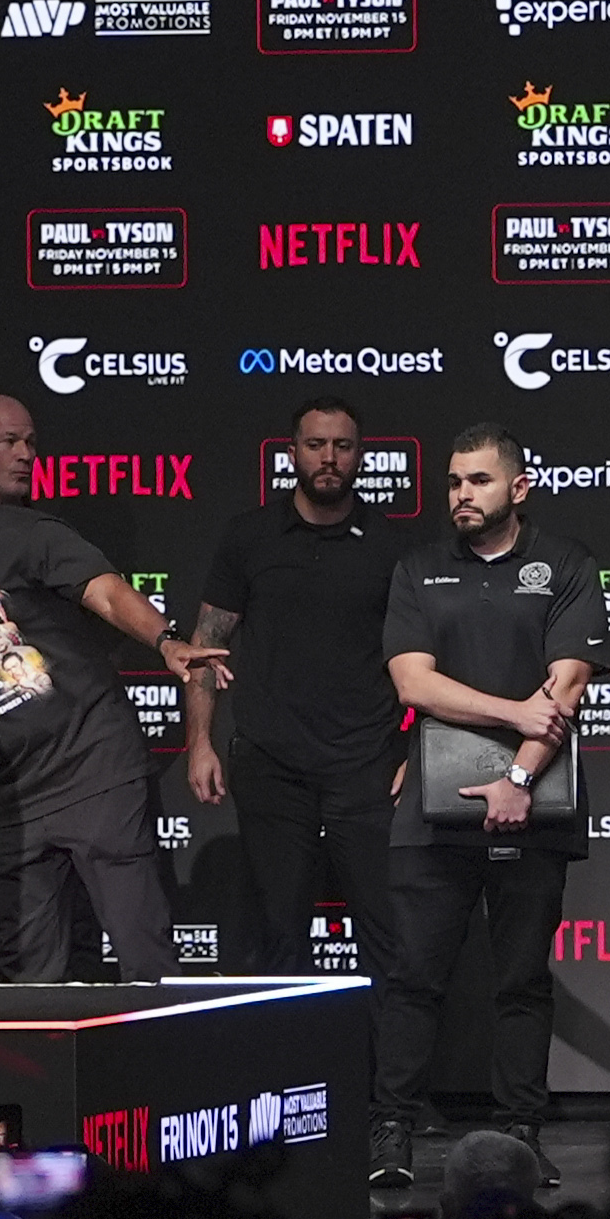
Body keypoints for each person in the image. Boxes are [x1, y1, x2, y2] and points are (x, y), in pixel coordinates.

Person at [0, 394, 214, 982]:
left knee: (143, 953)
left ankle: (174, 1070)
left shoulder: (23, 532)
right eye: (11, 442)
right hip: (13, 793)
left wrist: (166, 639)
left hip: (93, 770)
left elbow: (107, 592)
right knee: (26, 972)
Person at [377, 423, 607, 1191]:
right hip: (431, 808)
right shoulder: (418, 567)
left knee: (521, 981)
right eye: (452, 482)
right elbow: (415, 683)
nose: (461, 496)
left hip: (534, 803)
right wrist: (514, 715)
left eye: (477, 481)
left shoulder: (567, 563)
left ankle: (520, 1132)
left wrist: (517, 778)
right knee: (412, 977)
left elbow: (566, 686)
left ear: (518, 487)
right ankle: (392, 1133)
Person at [186, 400, 406, 981]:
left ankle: (388, 1075)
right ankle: (290, 1067)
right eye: (315, 445)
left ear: (360, 455)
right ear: (293, 453)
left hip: (366, 764)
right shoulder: (250, 536)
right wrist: (200, 742)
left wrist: (420, 750)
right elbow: (208, 645)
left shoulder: (390, 546)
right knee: (279, 935)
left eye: (342, 446)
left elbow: (425, 660)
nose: (329, 458)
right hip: (273, 765)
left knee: (388, 933)